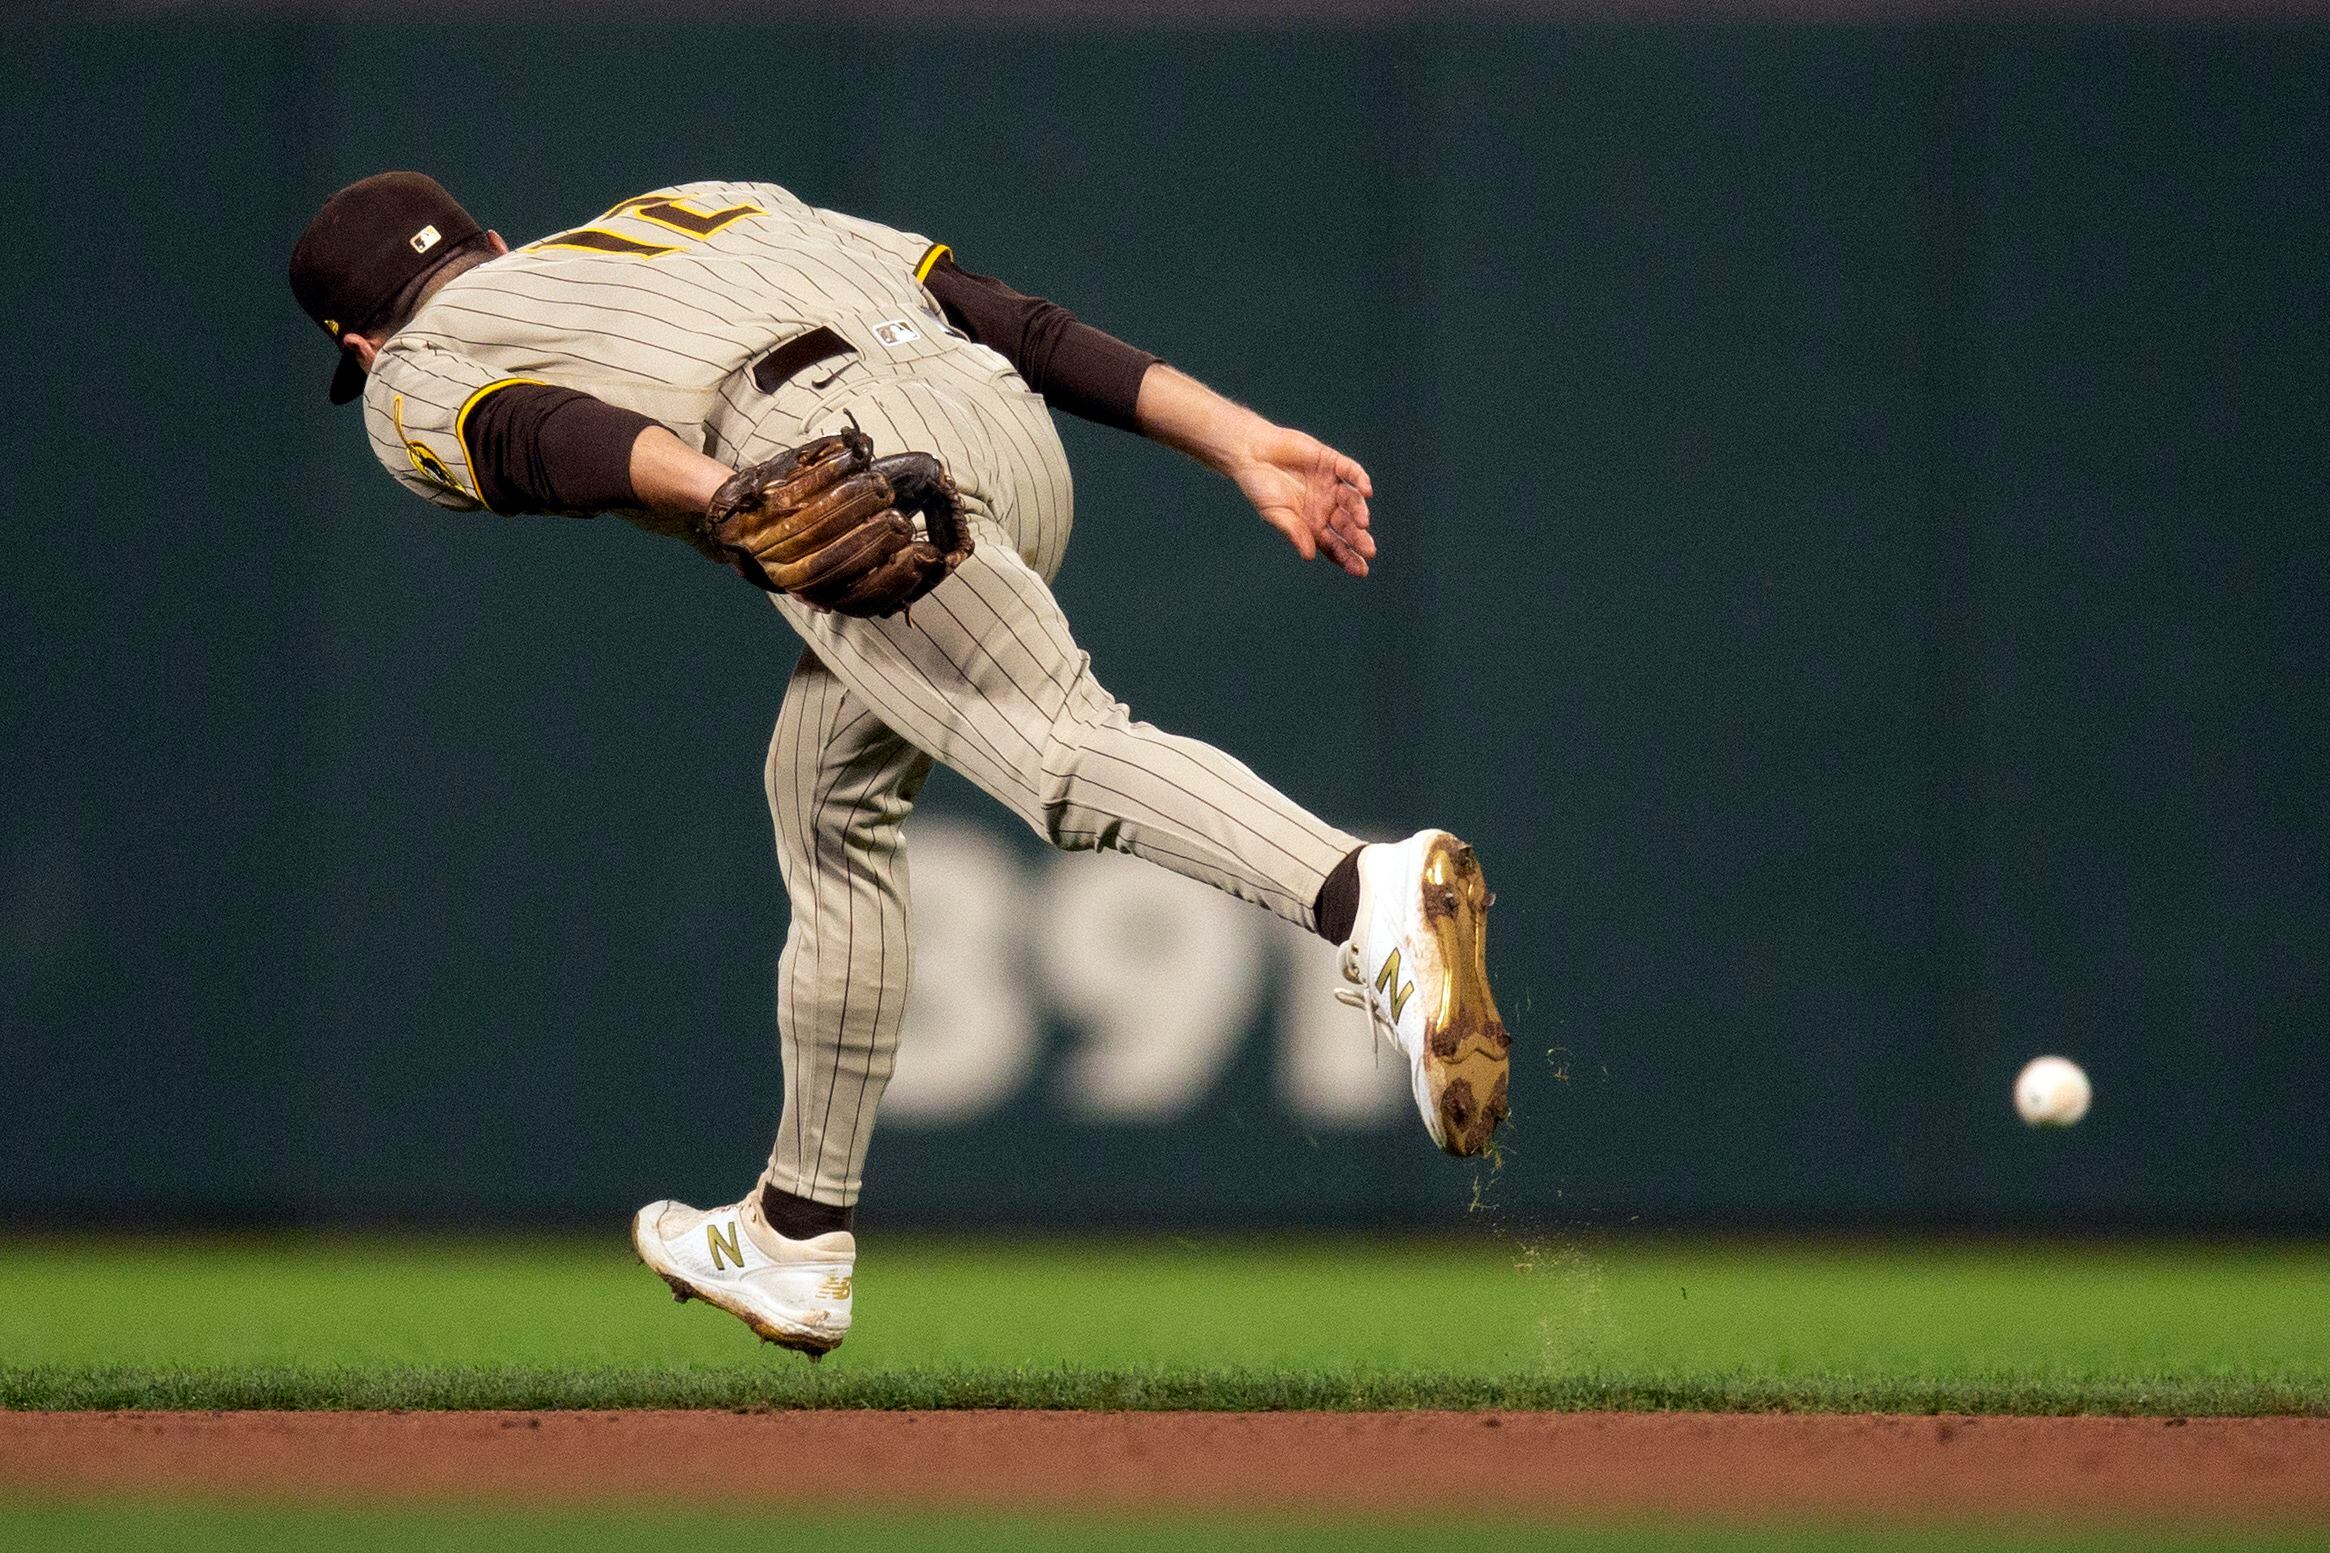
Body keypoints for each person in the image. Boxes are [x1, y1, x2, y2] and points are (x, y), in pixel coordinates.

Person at [289, 171, 1510, 1356]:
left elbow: (534, 433)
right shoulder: (709, 202)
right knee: (824, 793)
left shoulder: (405, 370)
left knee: (1059, 748)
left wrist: (730, 493)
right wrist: (1237, 439)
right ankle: (795, 1232)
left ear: (352, 339)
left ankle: (1366, 891)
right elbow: (1000, 315)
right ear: (495, 241)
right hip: (992, 420)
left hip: (827, 458)